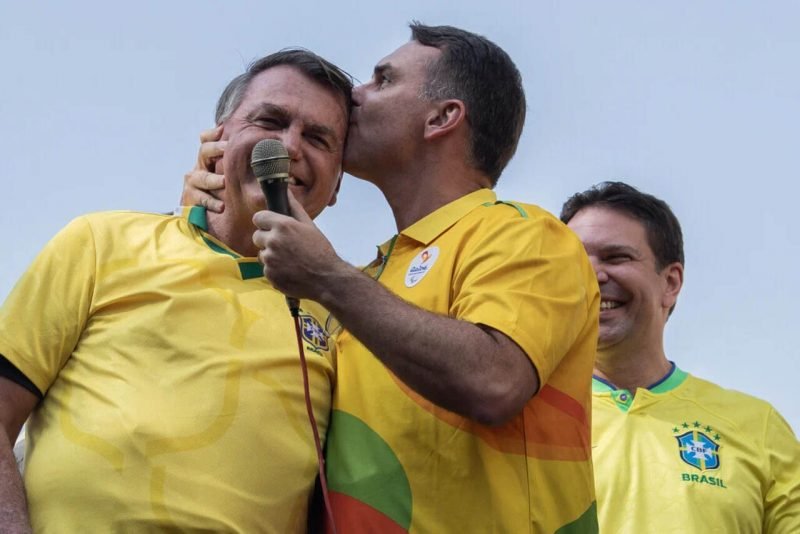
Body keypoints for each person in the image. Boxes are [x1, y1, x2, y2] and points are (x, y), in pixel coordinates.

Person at [186, 23, 600, 533]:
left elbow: (494, 382)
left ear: (442, 117)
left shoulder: (524, 233)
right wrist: (209, 214)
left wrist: (328, 277)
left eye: (383, 80)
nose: (355, 95)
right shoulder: (364, 281)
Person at [0, 49, 352, 533]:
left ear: (337, 185)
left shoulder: (349, 313)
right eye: (270, 121)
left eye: (317, 138)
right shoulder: (103, 242)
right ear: (217, 140)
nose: (289, 146)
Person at [561, 181, 800, 533]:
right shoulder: (525, 418)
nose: (592, 276)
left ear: (671, 282)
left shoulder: (758, 427)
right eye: (575, 261)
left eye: (616, 257)